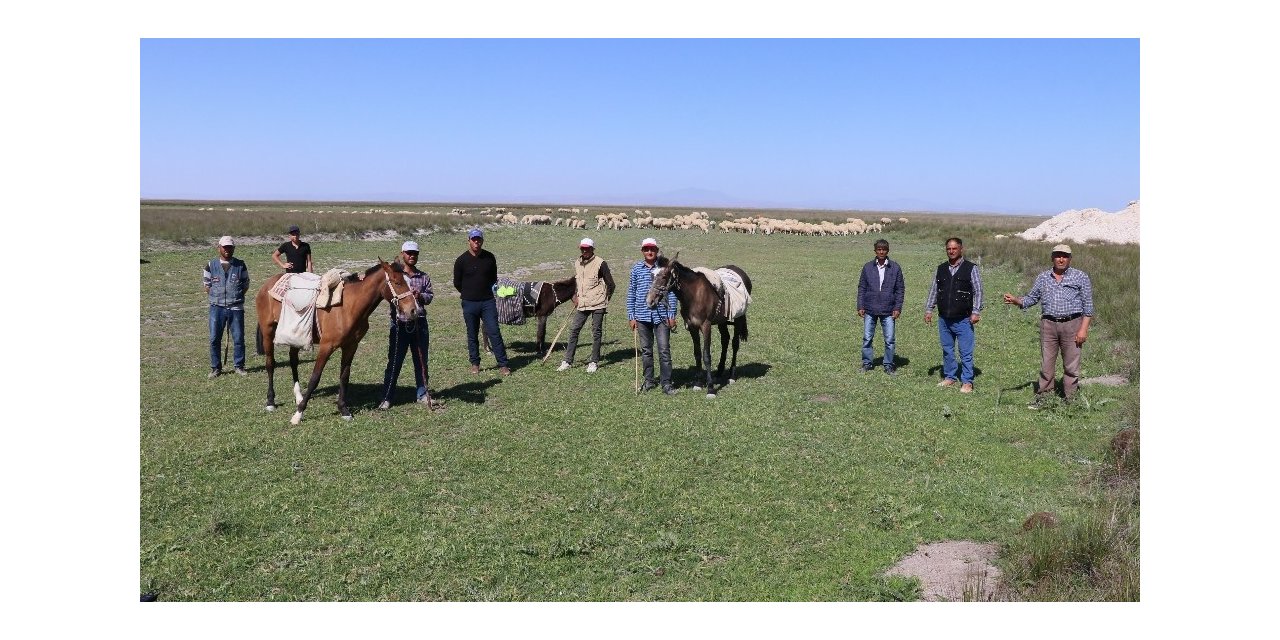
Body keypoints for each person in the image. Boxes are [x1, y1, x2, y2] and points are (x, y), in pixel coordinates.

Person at [1002, 244, 1095, 409]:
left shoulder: (1081, 276)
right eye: (1058, 255)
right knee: (1047, 364)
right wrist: (1017, 300)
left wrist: (1083, 329)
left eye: (1065, 256)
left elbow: (1088, 307)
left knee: (1071, 366)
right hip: (1048, 325)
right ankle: (1044, 399)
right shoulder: (1043, 277)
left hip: (1072, 324)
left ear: (1070, 258)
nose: (1061, 259)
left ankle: (1071, 401)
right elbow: (1032, 298)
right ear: (1052, 257)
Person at [378, 241, 436, 410]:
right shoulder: (395, 276)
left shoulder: (423, 277)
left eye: (415, 253)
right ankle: (387, 396)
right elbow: (379, 282)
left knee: (421, 361)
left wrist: (421, 296)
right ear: (402, 254)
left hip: (419, 324)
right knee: (394, 361)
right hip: (399, 324)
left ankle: (422, 393)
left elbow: (430, 296)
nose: (412, 256)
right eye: (409, 253)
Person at [924, 237, 983, 393]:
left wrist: (976, 311)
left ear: (961, 249)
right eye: (948, 249)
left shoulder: (971, 268)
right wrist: (929, 309)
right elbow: (934, 290)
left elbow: (978, 291)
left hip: (964, 319)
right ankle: (950, 377)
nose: (951, 251)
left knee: (965, 352)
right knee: (948, 350)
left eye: (954, 248)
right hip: (944, 318)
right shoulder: (941, 268)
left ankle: (967, 381)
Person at [453, 228, 510, 375]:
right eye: (474, 239)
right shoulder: (461, 261)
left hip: (488, 302)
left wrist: (487, 292)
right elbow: (457, 283)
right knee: (472, 334)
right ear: (469, 241)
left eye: (479, 239)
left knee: (494, 332)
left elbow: (493, 278)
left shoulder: (489, 258)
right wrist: (468, 294)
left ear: (482, 240)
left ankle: (503, 364)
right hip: (469, 303)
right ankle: (475, 363)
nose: (476, 242)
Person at [627, 238, 678, 395]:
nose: (650, 252)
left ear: (656, 250)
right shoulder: (636, 269)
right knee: (646, 350)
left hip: (661, 315)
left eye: (653, 249)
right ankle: (649, 380)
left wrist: (671, 314)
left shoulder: (665, 268)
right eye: (646, 249)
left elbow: (672, 293)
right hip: (641, 315)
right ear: (642, 251)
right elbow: (631, 293)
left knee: (664, 350)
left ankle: (666, 383)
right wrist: (631, 316)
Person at [558, 238, 616, 373]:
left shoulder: (601, 263)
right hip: (583, 303)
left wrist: (605, 300)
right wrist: (574, 296)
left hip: (598, 303)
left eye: (587, 248)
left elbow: (611, 284)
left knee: (596, 332)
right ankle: (567, 360)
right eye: (582, 248)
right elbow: (577, 281)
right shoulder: (577, 263)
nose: (584, 250)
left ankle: (594, 361)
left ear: (592, 249)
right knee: (574, 330)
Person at [856, 238, 906, 375]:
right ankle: (867, 363)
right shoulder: (867, 267)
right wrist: (860, 305)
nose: (881, 252)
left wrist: (897, 307)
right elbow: (862, 287)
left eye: (884, 249)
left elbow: (900, 289)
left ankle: (888, 364)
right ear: (875, 251)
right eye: (879, 249)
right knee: (867, 338)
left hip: (888, 309)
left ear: (887, 251)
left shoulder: (895, 268)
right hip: (870, 308)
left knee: (889, 339)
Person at [203, 235, 250, 378]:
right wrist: (217, 298)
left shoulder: (240, 265)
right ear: (219, 248)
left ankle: (239, 366)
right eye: (225, 247)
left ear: (233, 248)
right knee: (214, 338)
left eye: (230, 247)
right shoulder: (210, 265)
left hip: (236, 307)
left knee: (238, 338)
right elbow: (207, 285)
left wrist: (234, 296)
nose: (227, 250)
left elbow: (246, 284)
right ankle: (216, 368)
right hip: (216, 307)